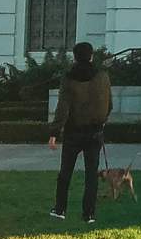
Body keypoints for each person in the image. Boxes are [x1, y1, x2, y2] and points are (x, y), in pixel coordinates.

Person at [48, 42, 113, 224]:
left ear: (75, 57)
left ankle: (60, 209)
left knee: (65, 173)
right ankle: (89, 214)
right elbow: (109, 104)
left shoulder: (68, 78)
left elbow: (63, 108)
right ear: (91, 56)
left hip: (73, 132)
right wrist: (102, 120)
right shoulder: (103, 77)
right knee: (91, 175)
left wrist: (54, 132)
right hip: (95, 132)